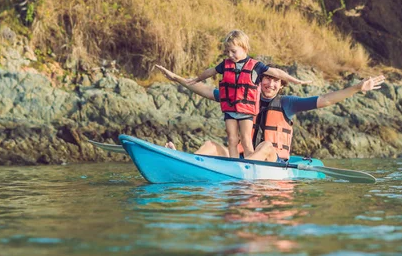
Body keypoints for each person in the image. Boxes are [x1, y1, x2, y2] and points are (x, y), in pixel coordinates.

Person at [155, 64, 385, 162]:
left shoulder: (288, 103)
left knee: (267, 145)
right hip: (243, 160)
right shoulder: (242, 97)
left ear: (282, 86)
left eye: (276, 81)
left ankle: (237, 172)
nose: (270, 84)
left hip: (273, 163)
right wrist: (178, 79)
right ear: (259, 80)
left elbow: (325, 100)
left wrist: (356, 88)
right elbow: (205, 90)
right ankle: (180, 159)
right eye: (267, 79)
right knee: (210, 145)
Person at [185, 30, 310, 159]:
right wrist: (192, 80)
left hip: (272, 158)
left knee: (257, 143)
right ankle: (193, 161)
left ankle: (247, 165)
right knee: (222, 141)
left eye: (233, 51)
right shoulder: (226, 66)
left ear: (244, 47)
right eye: (228, 52)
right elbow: (208, 84)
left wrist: (297, 81)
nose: (230, 55)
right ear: (260, 81)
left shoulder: (257, 68)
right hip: (232, 111)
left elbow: (278, 73)